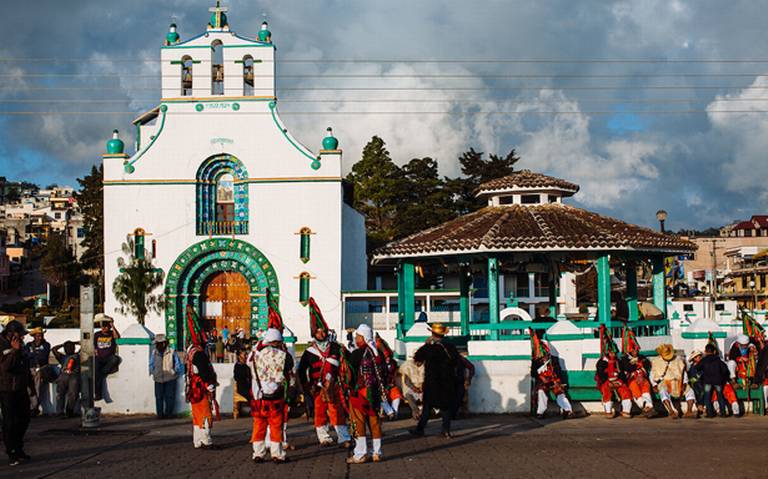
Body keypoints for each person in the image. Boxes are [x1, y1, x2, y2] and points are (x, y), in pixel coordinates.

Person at [297, 305, 351, 447]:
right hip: (317, 387)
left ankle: (343, 437)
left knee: (337, 411)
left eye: (323, 331)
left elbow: (346, 365)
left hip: (335, 386)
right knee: (319, 411)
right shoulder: (309, 352)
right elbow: (301, 370)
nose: (321, 334)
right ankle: (324, 437)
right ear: (313, 333)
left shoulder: (336, 348)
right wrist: (307, 385)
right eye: (318, 331)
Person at [249, 328, 294, 464]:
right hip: (275, 397)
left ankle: (258, 453)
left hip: (258, 397)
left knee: (258, 426)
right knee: (276, 426)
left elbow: (248, 366)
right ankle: (277, 454)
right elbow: (290, 368)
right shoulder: (284, 356)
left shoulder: (254, 355)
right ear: (279, 341)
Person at [410, 323, 460, 438]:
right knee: (445, 407)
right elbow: (456, 362)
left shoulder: (429, 348)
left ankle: (420, 429)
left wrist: (426, 344)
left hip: (432, 382)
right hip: (447, 381)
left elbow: (417, 360)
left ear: (432, 334)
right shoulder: (450, 347)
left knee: (427, 407)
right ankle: (446, 430)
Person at [347, 324, 387, 464]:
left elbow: (349, 375)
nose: (356, 338)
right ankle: (377, 452)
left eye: (357, 336)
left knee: (358, 422)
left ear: (363, 338)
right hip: (375, 395)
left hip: (360, 394)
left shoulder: (357, 354)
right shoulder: (378, 354)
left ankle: (360, 453)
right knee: (375, 423)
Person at [0, 320, 32, 466]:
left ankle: (19, 447)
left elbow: (25, 367)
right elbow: (5, 367)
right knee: (10, 422)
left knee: (24, 418)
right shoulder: (2, 345)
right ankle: (11, 451)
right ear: (11, 334)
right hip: (6, 388)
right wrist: (14, 351)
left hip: (21, 387)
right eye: (20, 335)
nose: (23, 338)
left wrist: (31, 387)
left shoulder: (21, 346)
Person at [185, 309, 218, 449]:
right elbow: (204, 371)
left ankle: (197, 440)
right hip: (201, 387)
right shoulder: (199, 353)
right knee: (205, 413)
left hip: (193, 387)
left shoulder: (190, 351)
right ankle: (206, 440)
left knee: (197, 414)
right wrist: (210, 384)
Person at [531, 331, 572, 420]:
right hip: (542, 381)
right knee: (541, 392)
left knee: (560, 392)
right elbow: (533, 374)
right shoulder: (536, 362)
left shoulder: (554, 360)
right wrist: (540, 377)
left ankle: (567, 410)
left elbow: (558, 371)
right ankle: (540, 412)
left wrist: (559, 382)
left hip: (553, 380)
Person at [650, 344, 697, 419]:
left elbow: (683, 372)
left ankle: (689, 411)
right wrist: (654, 385)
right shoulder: (656, 362)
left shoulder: (678, 360)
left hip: (678, 381)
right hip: (665, 381)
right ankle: (671, 411)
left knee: (690, 391)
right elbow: (652, 374)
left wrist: (685, 383)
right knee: (663, 391)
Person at [149, 334, 183, 419]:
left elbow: (178, 364)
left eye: (158, 343)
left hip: (170, 378)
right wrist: (154, 372)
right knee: (159, 397)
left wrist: (174, 372)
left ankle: (169, 414)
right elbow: (151, 364)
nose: (157, 345)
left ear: (164, 343)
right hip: (158, 378)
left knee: (170, 397)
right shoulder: (154, 352)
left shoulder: (172, 351)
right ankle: (160, 414)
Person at [620, 343, 654, 418]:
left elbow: (647, 364)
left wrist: (637, 363)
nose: (636, 351)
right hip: (632, 380)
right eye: (634, 350)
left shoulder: (641, 357)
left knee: (646, 388)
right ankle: (644, 406)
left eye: (637, 350)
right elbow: (628, 368)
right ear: (630, 350)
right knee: (635, 390)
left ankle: (649, 406)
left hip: (643, 378)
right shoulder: (624, 359)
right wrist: (638, 364)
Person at [596, 349, 632, 418]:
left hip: (618, 381)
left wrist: (620, 381)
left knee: (625, 390)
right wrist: (608, 382)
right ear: (608, 352)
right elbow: (600, 374)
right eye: (611, 353)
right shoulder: (602, 362)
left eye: (614, 353)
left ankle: (626, 411)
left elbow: (622, 373)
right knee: (606, 392)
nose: (613, 354)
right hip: (607, 381)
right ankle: (608, 411)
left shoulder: (618, 361)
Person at [25, 327, 53, 416]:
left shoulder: (46, 345)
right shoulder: (29, 345)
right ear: (34, 336)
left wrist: (33, 355)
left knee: (37, 387)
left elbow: (43, 357)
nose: (40, 337)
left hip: (41, 368)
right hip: (30, 368)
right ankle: (31, 406)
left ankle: (35, 407)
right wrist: (35, 354)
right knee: (29, 388)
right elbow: (26, 355)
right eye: (38, 335)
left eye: (41, 335)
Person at [93, 314, 121, 401]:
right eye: (102, 326)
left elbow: (117, 336)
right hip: (99, 358)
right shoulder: (97, 334)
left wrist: (112, 325)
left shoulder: (111, 334)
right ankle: (98, 394)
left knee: (115, 359)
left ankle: (102, 372)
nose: (104, 328)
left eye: (106, 326)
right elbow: (94, 345)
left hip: (109, 358)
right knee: (96, 370)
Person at [376, 333, 403, 420]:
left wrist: (390, 383)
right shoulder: (376, 363)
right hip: (379, 387)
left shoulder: (392, 363)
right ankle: (390, 412)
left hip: (390, 385)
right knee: (379, 396)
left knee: (397, 395)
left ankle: (394, 412)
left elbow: (393, 374)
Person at [699, 343, 730, 418]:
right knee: (720, 396)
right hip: (718, 381)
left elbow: (698, 367)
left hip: (707, 381)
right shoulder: (718, 360)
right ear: (714, 351)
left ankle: (710, 413)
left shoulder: (704, 360)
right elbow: (725, 370)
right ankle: (723, 413)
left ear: (705, 351)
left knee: (707, 397)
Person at [52, 341, 80, 417]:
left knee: (73, 394)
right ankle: (59, 412)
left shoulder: (77, 355)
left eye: (71, 347)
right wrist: (62, 344)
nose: (69, 349)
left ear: (74, 348)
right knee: (60, 394)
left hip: (73, 376)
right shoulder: (63, 357)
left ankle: (69, 411)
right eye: (67, 347)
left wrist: (76, 343)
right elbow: (54, 349)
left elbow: (85, 346)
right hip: (63, 376)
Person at [233, 349, 252, 419]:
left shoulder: (247, 366)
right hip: (241, 388)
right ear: (239, 356)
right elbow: (236, 377)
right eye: (244, 354)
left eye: (246, 354)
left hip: (247, 387)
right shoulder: (237, 366)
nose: (246, 356)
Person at [455, 354, 475, 418]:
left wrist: (469, 379)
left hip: (461, 382)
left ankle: (462, 413)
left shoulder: (460, 358)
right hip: (450, 383)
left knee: (463, 399)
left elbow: (471, 367)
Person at [686, 350, 706, 417]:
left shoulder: (702, 365)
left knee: (701, 391)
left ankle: (700, 407)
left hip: (701, 382)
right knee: (697, 391)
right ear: (694, 359)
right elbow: (691, 376)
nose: (699, 358)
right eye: (697, 357)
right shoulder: (692, 367)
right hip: (694, 383)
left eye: (700, 356)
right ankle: (700, 407)